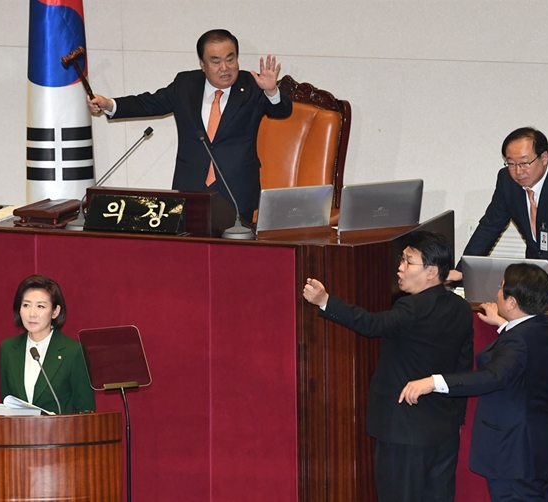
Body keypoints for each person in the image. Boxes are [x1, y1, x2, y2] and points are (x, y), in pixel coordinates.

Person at [303, 231, 474, 502]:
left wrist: (325, 301)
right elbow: (464, 367)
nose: (400, 268)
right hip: (444, 431)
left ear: (431, 272)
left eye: (408, 262)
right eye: (401, 260)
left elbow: (371, 324)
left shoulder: (411, 308)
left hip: (403, 434)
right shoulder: (461, 308)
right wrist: (456, 418)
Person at [400, 263, 548, 502]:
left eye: (501, 288)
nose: (497, 292)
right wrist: (503, 324)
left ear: (512, 302)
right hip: (542, 448)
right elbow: (524, 354)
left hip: (515, 456)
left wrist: (434, 382)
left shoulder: (518, 341)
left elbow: (494, 375)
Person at [87, 29, 293, 223]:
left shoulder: (252, 85)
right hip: (191, 188)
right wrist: (110, 104)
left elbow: (281, 111)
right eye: (216, 61)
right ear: (202, 64)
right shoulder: (186, 84)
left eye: (231, 59)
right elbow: (149, 103)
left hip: (237, 192)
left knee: (234, 257)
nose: (225, 68)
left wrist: (272, 91)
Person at [448, 127, 548, 314]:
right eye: (511, 164)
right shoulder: (506, 181)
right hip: (540, 278)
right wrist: (463, 270)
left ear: (543, 158)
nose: (518, 171)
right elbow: (489, 226)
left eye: (524, 163)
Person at [0, 274, 95, 414]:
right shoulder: (8, 349)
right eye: (26, 305)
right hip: (18, 434)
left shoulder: (72, 351)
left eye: (40, 306)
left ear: (55, 311)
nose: (32, 313)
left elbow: (86, 410)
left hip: (60, 434)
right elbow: (6, 402)